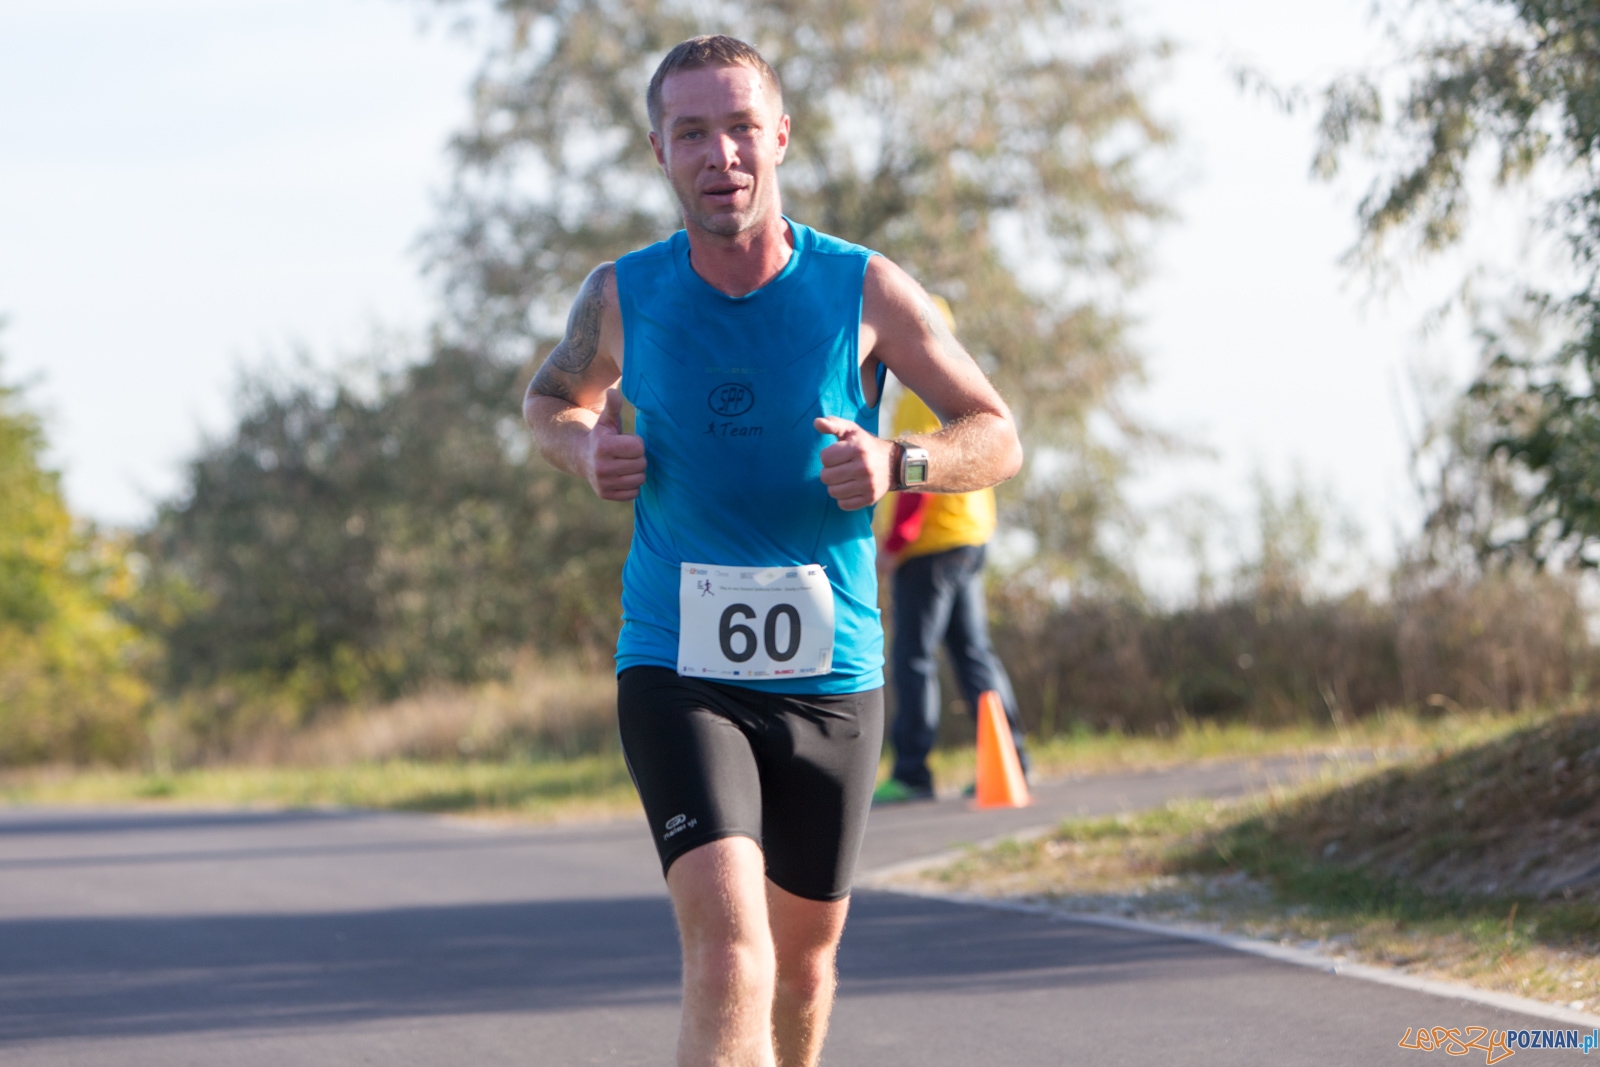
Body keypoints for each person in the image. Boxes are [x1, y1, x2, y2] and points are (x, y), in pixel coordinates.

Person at [521, 35, 1022, 1067]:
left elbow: (995, 431)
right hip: (676, 663)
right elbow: (547, 401)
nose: (721, 154)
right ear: (659, 150)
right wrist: (586, 452)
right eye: (692, 132)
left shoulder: (866, 289)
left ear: (779, 137)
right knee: (732, 956)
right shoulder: (622, 293)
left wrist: (899, 464)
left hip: (831, 669)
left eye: (741, 127)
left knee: (802, 966)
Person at [872, 320, 1031, 804]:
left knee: (913, 657)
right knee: (972, 653)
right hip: (970, 539)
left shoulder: (921, 393)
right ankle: (1014, 760)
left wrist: (894, 545)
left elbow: (917, 478)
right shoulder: (965, 388)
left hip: (932, 545)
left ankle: (913, 771)